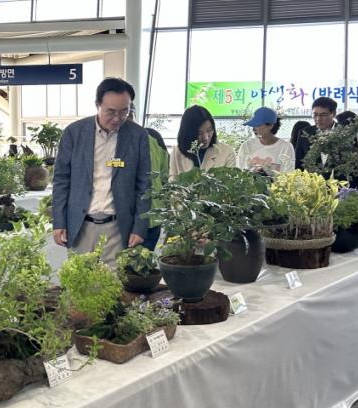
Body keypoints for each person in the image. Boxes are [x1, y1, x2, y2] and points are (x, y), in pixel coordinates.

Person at [52, 77, 150, 268]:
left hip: (118, 226)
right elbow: (61, 180)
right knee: (81, 279)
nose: (117, 118)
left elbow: (144, 185)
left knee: (114, 281)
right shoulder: (74, 133)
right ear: (97, 105)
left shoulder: (138, 136)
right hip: (81, 224)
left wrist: (140, 227)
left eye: (124, 111)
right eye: (110, 111)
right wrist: (59, 222)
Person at [127, 104, 169, 251]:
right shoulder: (153, 138)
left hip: (142, 218)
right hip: (152, 215)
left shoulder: (152, 138)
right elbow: (165, 176)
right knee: (143, 261)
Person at [169, 105, 235, 181]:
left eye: (209, 130)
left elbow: (231, 183)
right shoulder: (177, 153)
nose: (206, 137)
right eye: (199, 133)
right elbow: (173, 183)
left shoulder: (227, 153)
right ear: (187, 134)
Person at [236, 107, 295, 174]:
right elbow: (239, 170)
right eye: (253, 125)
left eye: (258, 125)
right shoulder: (247, 145)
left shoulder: (285, 147)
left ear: (270, 125)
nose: (254, 129)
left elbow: (288, 175)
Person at [294, 97, 338, 170]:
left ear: (333, 114)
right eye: (315, 115)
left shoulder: (346, 133)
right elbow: (298, 163)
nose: (318, 119)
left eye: (323, 115)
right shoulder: (305, 133)